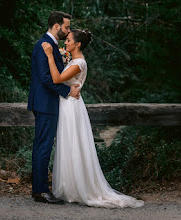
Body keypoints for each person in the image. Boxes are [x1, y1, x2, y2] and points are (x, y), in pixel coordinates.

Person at [41, 29, 145, 208]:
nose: (65, 43)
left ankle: (78, 188)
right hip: (68, 103)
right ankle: (68, 187)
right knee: (67, 144)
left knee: (73, 144)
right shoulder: (73, 60)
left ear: (78, 44)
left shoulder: (79, 63)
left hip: (71, 106)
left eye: (68, 40)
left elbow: (57, 79)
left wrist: (50, 55)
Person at [27, 11, 80, 204]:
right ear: (56, 26)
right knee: (43, 146)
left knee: (43, 145)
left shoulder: (50, 45)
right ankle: (40, 191)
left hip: (46, 102)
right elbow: (46, 78)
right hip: (44, 102)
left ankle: (39, 189)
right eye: (66, 27)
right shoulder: (44, 46)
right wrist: (67, 92)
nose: (68, 31)